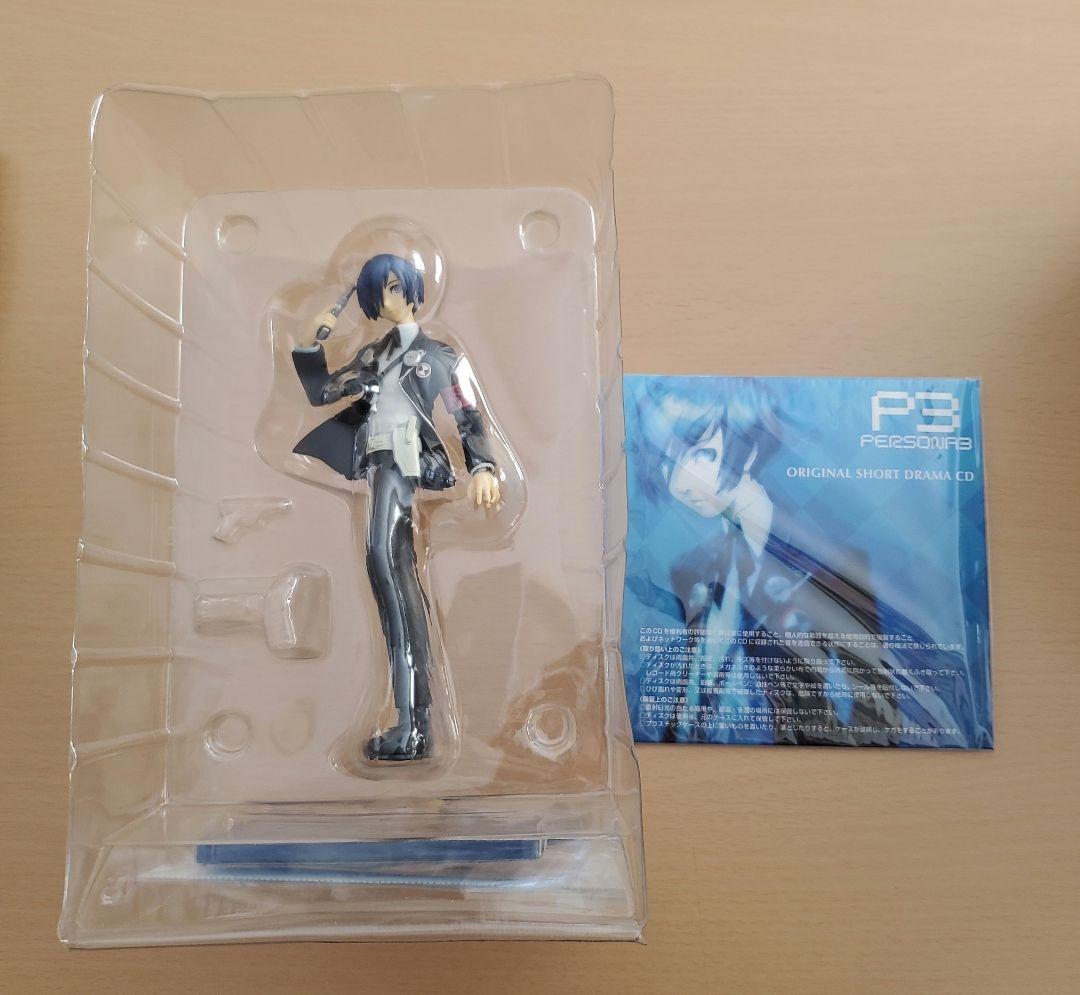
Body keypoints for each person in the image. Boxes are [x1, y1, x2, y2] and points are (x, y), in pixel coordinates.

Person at [291, 253, 500, 761]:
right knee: (387, 572)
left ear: (410, 289)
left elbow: (467, 413)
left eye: (392, 287)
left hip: (405, 463)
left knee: (389, 569)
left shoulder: (437, 355)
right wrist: (311, 342)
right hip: (377, 461)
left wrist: (482, 467)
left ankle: (414, 726)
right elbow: (322, 392)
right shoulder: (374, 354)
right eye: (378, 291)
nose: (387, 298)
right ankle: (413, 724)